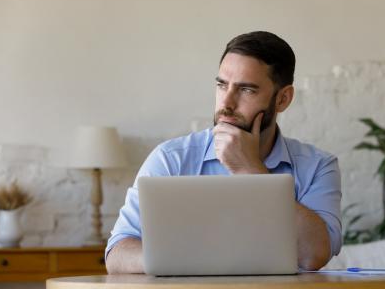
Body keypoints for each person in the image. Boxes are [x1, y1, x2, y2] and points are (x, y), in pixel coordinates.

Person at [105, 31, 342, 273]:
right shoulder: (171, 159)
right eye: (221, 85)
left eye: (246, 90)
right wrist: (179, 260)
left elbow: (314, 255)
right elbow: (117, 253)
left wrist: (250, 171)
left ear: (283, 99)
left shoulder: (317, 166)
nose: (227, 103)